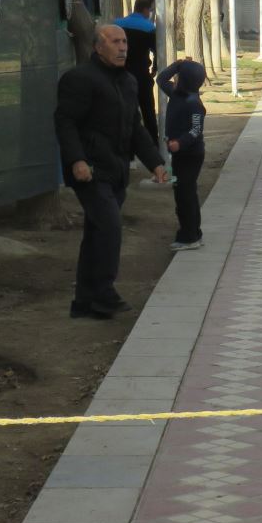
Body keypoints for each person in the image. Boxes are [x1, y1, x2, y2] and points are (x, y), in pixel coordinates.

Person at [55, 24, 168, 318]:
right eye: (115, 42)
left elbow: (135, 127)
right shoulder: (79, 79)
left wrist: (155, 161)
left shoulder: (128, 81)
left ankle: (84, 302)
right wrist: (77, 160)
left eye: (125, 42)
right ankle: (104, 293)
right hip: (90, 171)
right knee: (109, 227)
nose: (123, 48)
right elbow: (65, 122)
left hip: (116, 170)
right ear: (98, 46)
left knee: (96, 233)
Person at [159, 57, 207, 251]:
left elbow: (196, 130)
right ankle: (194, 232)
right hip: (180, 155)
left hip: (191, 155)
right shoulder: (175, 93)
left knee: (185, 195)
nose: (175, 78)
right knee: (185, 193)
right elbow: (161, 79)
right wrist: (177, 65)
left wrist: (180, 142)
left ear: (186, 80)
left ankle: (189, 236)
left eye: (179, 75)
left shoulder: (193, 103)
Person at [115, 0, 160, 146]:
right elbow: (157, 51)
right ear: (146, 10)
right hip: (141, 74)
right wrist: (154, 68)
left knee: (124, 112)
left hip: (120, 74)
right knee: (148, 112)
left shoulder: (117, 24)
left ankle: (125, 147)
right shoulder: (149, 28)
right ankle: (153, 146)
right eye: (150, 10)